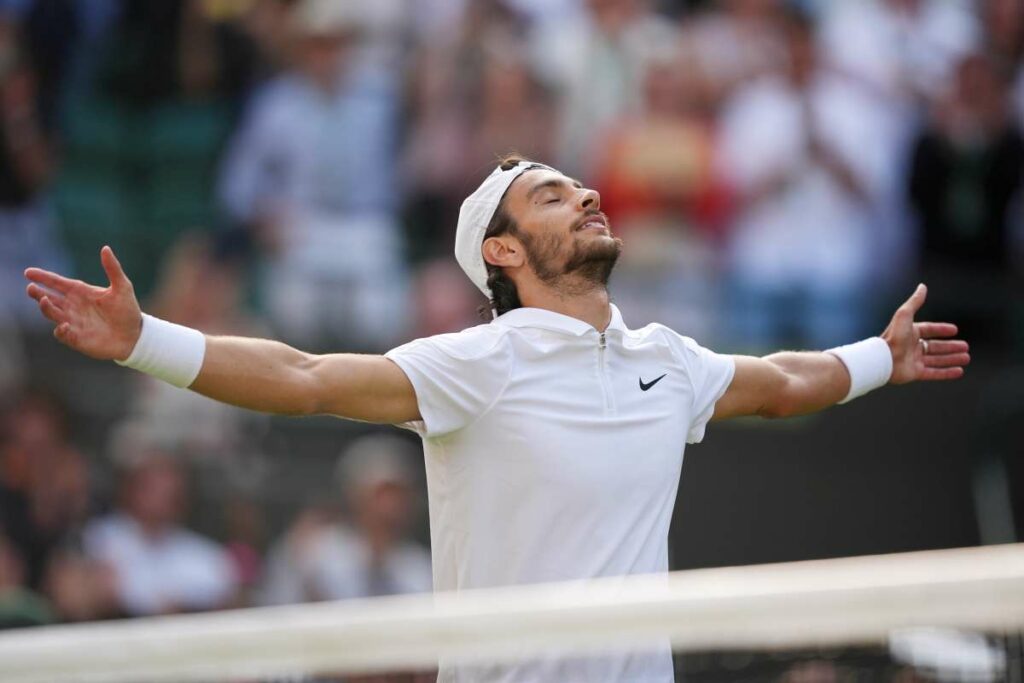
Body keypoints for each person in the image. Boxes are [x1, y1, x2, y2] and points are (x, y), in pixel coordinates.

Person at [23, 155, 968, 682]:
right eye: (552, 196)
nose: (587, 194)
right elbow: (305, 376)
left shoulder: (669, 359)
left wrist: (879, 357)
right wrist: (145, 339)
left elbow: (783, 381)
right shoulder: (480, 362)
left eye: (579, 186)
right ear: (503, 251)